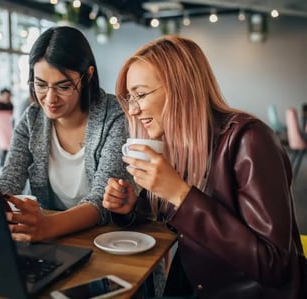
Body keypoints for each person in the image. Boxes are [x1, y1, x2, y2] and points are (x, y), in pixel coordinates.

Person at [102, 35, 306, 299]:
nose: (133, 110)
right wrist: (131, 208)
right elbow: (175, 219)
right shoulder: (179, 144)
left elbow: (275, 265)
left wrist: (180, 194)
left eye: (140, 95)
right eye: (130, 98)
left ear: (181, 87)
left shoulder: (250, 139)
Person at [0, 26, 128, 242]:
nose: (49, 99)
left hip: (110, 243)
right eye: (40, 85)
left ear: (88, 76)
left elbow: (101, 201)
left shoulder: (115, 117)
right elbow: (10, 178)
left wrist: (47, 226)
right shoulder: (32, 119)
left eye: (63, 87)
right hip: (55, 243)